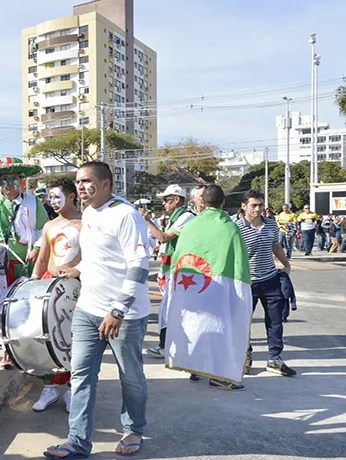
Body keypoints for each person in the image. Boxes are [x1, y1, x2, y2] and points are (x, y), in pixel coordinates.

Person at [44, 162, 150, 459]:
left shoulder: (126, 215)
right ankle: (77, 441)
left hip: (124, 316)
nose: (80, 187)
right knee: (81, 376)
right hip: (88, 310)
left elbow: (139, 266)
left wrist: (117, 311)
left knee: (130, 376)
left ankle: (133, 429)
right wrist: (76, 270)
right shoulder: (89, 213)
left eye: (87, 181)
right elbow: (96, 258)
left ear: (106, 184)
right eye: (78, 181)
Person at [164, 185, 252, 391]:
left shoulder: (191, 225)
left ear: (203, 202)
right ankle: (218, 376)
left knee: (197, 327)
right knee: (218, 330)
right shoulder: (229, 227)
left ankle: (196, 369)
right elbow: (240, 261)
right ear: (223, 202)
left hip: (192, 288)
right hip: (219, 289)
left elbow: (179, 256)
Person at [0, 158, 47, 368]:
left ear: (21, 182)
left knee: (28, 306)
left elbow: (43, 230)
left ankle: (28, 348)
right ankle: (7, 349)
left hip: (28, 263)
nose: (9, 186)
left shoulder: (33, 203)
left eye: (13, 181)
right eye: (4, 182)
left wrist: (37, 248)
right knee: (1, 306)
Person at [29, 179, 82, 413]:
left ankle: (71, 388)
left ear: (71, 196)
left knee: (72, 339)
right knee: (43, 337)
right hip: (48, 285)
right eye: (51, 196)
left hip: (77, 286)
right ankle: (49, 387)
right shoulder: (49, 225)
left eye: (57, 195)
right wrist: (32, 281)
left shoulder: (87, 223)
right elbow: (42, 257)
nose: (53, 201)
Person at [237, 190, 296, 377]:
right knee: (243, 322)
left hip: (271, 279)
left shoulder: (270, 223)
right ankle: (244, 357)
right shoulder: (236, 227)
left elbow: (275, 245)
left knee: (275, 321)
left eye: (260, 205)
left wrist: (286, 264)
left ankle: (275, 359)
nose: (257, 209)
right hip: (248, 283)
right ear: (244, 206)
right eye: (253, 205)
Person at [143, 184, 194, 359]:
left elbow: (164, 237)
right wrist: (160, 247)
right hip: (170, 269)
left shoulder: (186, 216)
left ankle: (166, 345)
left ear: (177, 200)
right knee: (167, 310)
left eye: (166, 200)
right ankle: (169, 344)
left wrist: (148, 221)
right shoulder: (176, 216)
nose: (163, 204)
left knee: (167, 311)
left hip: (177, 270)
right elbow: (165, 241)